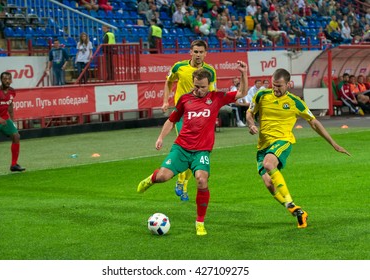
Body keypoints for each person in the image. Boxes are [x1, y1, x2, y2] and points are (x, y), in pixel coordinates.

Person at [137, 62, 249, 235]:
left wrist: (243, 74)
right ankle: (151, 179)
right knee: (163, 177)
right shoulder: (185, 99)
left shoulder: (217, 97)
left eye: (202, 87)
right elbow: (172, 119)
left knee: (201, 180)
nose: (198, 90)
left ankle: (200, 222)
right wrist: (160, 137)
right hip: (181, 148)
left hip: (201, 151)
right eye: (196, 86)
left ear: (209, 85)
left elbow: (242, 93)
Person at [246, 68, 350, 228]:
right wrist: (251, 124)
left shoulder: (295, 102)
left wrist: (334, 143)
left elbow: (314, 122)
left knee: (268, 165)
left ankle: (290, 203)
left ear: (288, 84)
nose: (276, 89)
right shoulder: (261, 95)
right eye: (274, 85)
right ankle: (296, 210)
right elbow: (249, 112)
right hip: (263, 146)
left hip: (283, 141)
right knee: (268, 183)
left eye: (279, 86)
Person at [161, 39, 217, 201]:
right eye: (196, 51)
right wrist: (166, 101)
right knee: (188, 147)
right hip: (184, 114)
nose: (198, 55)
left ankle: (181, 183)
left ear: (206, 54)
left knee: (197, 150)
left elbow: (212, 94)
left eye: (201, 52)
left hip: (201, 116)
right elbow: (168, 82)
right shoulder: (179, 67)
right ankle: (181, 184)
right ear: (190, 52)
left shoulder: (210, 71)